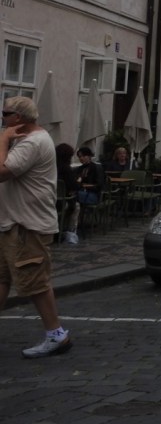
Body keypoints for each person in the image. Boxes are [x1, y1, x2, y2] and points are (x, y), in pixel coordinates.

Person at [0, 96, 72, 358]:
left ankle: (56, 334)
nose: (3, 118)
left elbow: (2, 172)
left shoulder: (33, 142)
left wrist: (3, 140)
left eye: (5, 113)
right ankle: (56, 334)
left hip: (27, 225)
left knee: (35, 282)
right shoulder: (24, 140)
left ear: (18, 118)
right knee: (2, 278)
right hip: (12, 223)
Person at [54, 143, 80, 245]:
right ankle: (70, 232)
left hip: (50, 199)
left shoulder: (51, 167)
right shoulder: (66, 169)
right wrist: (79, 181)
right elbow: (73, 185)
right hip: (62, 202)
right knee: (77, 206)